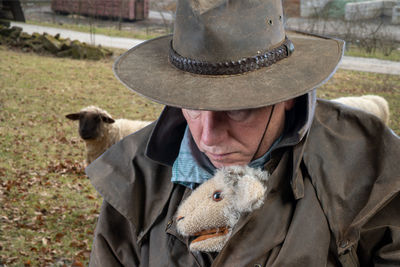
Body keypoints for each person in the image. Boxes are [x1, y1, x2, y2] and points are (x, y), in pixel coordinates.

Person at [86, 0, 400, 266]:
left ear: (287, 94)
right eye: (191, 105)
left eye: (236, 108)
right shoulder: (132, 178)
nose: (208, 137)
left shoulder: (369, 167)